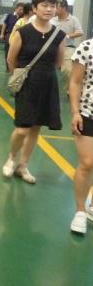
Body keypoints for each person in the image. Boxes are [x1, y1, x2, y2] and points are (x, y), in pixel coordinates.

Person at [2, 0, 66, 185]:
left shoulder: (59, 35)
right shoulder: (23, 32)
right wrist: (20, 77)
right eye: (44, 5)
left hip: (47, 85)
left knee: (35, 128)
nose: (49, 9)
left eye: (52, 6)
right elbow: (11, 59)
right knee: (22, 129)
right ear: (35, 8)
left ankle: (23, 165)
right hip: (27, 85)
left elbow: (58, 62)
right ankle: (11, 158)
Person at [68, 37, 93, 234]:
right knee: (87, 163)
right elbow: (75, 82)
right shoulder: (87, 47)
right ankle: (80, 211)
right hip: (87, 113)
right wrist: (75, 112)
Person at [52, 0, 83, 89]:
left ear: (64, 8)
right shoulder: (52, 20)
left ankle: (68, 90)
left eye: (56, 7)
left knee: (67, 71)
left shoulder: (73, 19)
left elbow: (80, 32)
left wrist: (67, 36)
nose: (54, 9)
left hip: (67, 48)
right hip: (53, 48)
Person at [0, 3, 24, 72]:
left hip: (19, 36)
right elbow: (5, 25)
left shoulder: (23, 18)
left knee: (18, 51)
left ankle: (16, 67)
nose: (21, 11)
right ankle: (8, 68)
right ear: (16, 9)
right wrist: (2, 34)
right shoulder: (10, 16)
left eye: (22, 10)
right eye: (20, 9)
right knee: (8, 51)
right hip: (9, 34)